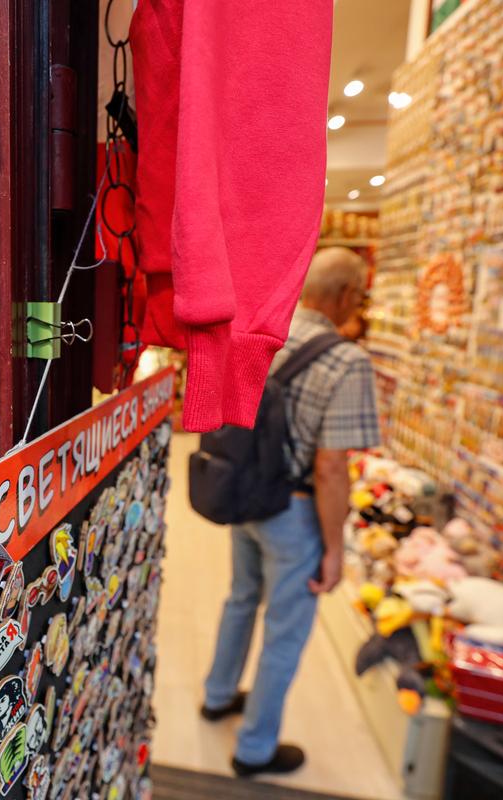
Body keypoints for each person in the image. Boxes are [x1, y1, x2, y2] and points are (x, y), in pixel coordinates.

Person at [199, 246, 380, 777]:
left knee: (240, 600)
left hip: (246, 494)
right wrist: (333, 549)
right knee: (285, 630)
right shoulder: (347, 361)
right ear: (347, 295)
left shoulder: (262, 336)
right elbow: (330, 470)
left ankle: (217, 695)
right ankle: (254, 749)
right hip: (293, 511)